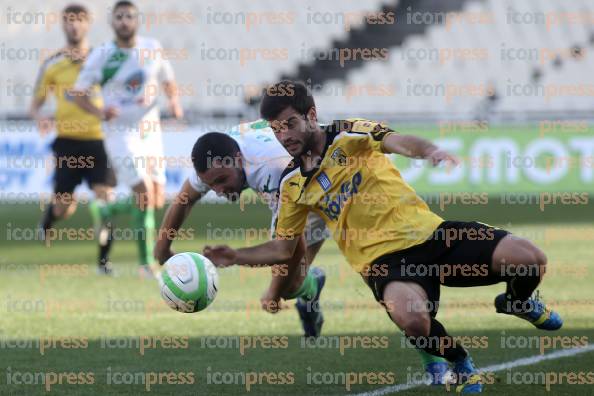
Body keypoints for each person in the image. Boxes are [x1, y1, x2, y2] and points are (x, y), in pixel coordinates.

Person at [203, 81, 563, 394]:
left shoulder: (348, 135)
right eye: (277, 129)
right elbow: (283, 247)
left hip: (432, 234)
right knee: (412, 320)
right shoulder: (292, 184)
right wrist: (237, 256)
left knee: (530, 259)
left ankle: (517, 302)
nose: (285, 136)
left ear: (312, 115)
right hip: (384, 264)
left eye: (291, 124)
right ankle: (459, 360)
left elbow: (396, 140)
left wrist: (428, 150)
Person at [72, 0, 183, 278]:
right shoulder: (103, 55)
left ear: (137, 21)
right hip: (119, 133)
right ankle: (147, 264)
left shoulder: (152, 47)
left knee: (156, 199)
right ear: (112, 22)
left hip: (150, 129)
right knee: (143, 193)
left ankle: (106, 209)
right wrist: (99, 111)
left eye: (129, 16)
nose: (124, 21)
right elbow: (78, 93)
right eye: (119, 17)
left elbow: (168, 78)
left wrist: (174, 101)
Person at [32, 3, 115, 274]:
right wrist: (40, 117)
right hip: (67, 141)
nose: (74, 25)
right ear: (63, 25)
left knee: (104, 200)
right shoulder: (53, 63)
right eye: (69, 21)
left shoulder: (102, 59)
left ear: (88, 24)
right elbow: (35, 103)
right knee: (63, 208)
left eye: (79, 20)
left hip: (98, 140)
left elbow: (117, 90)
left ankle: (104, 262)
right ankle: (48, 220)